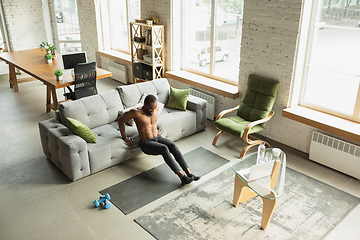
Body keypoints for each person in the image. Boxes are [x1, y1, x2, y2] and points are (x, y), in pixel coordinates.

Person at [118, 94, 200, 185]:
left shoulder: (156, 109)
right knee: (164, 148)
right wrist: (125, 137)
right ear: (144, 104)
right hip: (146, 143)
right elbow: (121, 120)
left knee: (172, 145)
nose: (153, 111)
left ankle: (189, 174)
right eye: (150, 109)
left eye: (154, 108)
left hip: (158, 137)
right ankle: (182, 177)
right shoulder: (136, 112)